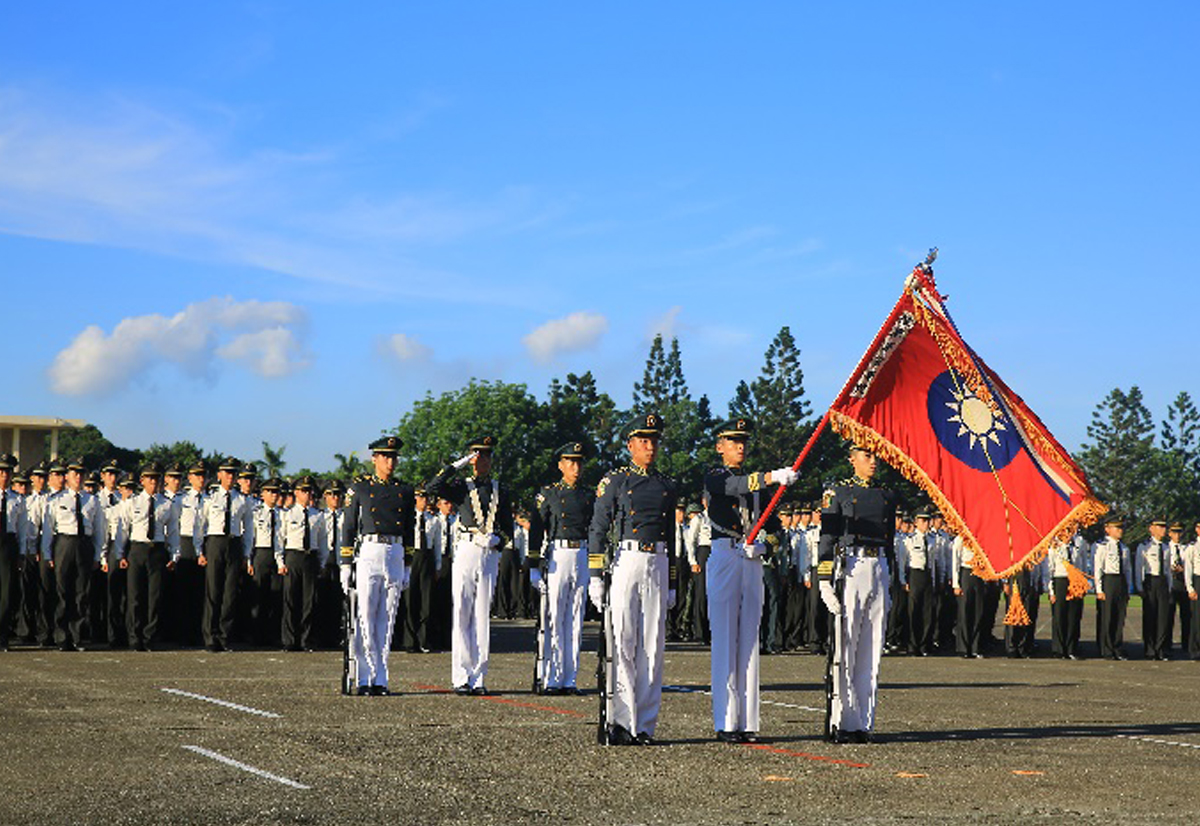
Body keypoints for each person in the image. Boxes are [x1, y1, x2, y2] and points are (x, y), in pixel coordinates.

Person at [703, 418, 795, 743]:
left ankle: (747, 721)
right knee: (726, 639)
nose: (739, 447)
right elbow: (733, 488)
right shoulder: (715, 476)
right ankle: (726, 721)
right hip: (726, 556)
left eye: (743, 441)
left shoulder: (761, 489)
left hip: (751, 560)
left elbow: (776, 530)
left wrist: (764, 545)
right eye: (732, 441)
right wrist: (771, 476)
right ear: (720, 447)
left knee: (750, 641)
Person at [588, 413, 677, 746]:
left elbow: (672, 535)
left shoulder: (667, 484)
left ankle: (645, 726)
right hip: (627, 560)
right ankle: (621, 721)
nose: (650, 446)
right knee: (623, 644)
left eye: (653, 440)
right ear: (630, 446)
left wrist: (671, 582)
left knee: (653, 647)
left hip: (658, 560)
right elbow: (598, 528)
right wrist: (596, 575)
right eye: (643, 440)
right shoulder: (616, 480)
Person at [817, 445, 896, 744]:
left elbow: (889, 540)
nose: (873, 462)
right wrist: (824, 579)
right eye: (867, 456)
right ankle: (841, 721)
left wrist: (891, 582)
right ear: (852, 460)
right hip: (851, 565)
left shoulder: (887, 495)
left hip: (879, 566)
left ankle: (863, 722)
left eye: (875, 456)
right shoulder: (836, 492)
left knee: (872, 648)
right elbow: (827, 537)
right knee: (846, 646)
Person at [427, 436, 514, 696]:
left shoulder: (501, 489)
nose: (482, 461)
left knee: (481, 616)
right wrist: (460, 463)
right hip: (466, 547)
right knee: (463, 612)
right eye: (477, 456)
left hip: (488, 552)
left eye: (486, 456)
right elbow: (434, 486)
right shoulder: (459, 487)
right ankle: (461, 676)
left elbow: (508, 528)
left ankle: (479, 676)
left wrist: (498, 540)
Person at [341, 436, 415, 696]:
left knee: (387, 618)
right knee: (365, 617)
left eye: (393, 457)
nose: (390, 461)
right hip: (369, 550)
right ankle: (363, 677)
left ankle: (380, 676)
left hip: (394, 550)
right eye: (385, 456)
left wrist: (408, 564)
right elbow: (349, 525)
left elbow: (410, 529)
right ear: (374, 459)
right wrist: (346, 562)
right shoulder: (360, 488)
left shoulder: (405, 490)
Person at [528, 441, 595, 695]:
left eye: (579, 462)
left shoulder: (589, 495)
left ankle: (569, 678)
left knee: (576, 618)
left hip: (582, 553)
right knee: (554, 617)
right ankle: (549, 678)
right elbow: (536, 529)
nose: (575, 467)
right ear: (560, 465)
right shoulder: (550, 494)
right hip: (558, 553)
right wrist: (534, 565)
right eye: (570, 462)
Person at [43, 458, 106, 651]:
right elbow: (48, 529)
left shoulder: (93, 501)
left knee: (82, 592)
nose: (78, 477)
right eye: (74, 474)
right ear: (67, 477)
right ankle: (62, 637)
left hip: (84, 545)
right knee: (63, 591)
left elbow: (99, 531)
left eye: (81, 474)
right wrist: (48, 553)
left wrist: (98, 556)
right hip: (64, 543)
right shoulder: (57, 499)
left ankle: (77, 636)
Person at [196, 458, 254, 652]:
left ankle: (224, 636)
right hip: (215, 542)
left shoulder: (242, 500)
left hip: (234, 544)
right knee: (213, 591)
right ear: (219, 475)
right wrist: (200, 550)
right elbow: (200, 526)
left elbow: (248, 530)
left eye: (233, 473)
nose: (230, 477)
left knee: (229, 594)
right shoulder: (209, 498)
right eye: (227, 473)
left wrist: (246, 554)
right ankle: (210, 636)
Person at [115, 463, 175, 650]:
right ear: (142, 481)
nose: (153, 482)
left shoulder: (167, 504)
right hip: (137, 549)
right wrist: (120, 554)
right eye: (150, 478)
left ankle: (150, 637)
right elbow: (123, 530)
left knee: (154, 596)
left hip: (156, 551)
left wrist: (174, 554)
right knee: (135, 597)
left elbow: (172, 531)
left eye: (156, 478)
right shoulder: (132, 503)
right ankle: (134, 637)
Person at [277, 475, 327, 652]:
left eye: (309, 491)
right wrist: (280, 561)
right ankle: (289, 640)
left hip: (310, 557)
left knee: (309, 601)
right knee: (290, 600)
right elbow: (280, 539)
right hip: (293, 556)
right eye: (303, 491)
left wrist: (321, 562)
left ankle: (306, 640)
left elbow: (322, 542)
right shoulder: (288, 514)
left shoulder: (317, 516)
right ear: (296, 492)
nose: (307, 494)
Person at [169, 462, 208, 647]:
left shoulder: (210, 500)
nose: (201, 479)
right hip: (185, 543)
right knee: (183, 592)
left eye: (203, 475)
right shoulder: (180, 500)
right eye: (197, 475)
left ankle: (197, 632)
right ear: (190, 478)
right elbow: (173, 525)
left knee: (201, 592)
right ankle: (182, 633)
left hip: (204, 544)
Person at [247, 478, 284, 646]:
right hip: (261, 553)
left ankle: (272, 635)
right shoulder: (256, 513)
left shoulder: (283, 514)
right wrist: (249, 560)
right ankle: (256, 635)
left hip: (277, 556)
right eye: (270, 491)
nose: (274, 495)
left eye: (276, 492)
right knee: (259, 595)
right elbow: (250, 538)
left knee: (275, 596)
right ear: (262, 494)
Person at [404, 486, 440, 653]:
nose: (425, 501)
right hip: (412, 557)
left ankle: (424, 640)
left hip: (427, 558)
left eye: (426, 498)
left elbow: (438, 545)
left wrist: (438, 566)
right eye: (421, 498)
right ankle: (410, 641)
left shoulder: (433, 520)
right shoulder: (408, 518)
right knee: (411, 600)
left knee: (427, 601)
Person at [1093, 517, 1132, 661]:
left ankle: (1117, 646)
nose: (1120, 531)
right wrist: (1099, 589)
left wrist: (1128, 587)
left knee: (1119, 616)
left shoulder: (1124, 548)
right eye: (1117, 528)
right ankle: (1106, 648)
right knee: (1107, 616)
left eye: (1121, 528)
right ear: (1107, 529)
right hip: (1108, 580)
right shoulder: (1101, 546)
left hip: (1120, 581)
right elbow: (1098, 569)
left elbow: (1127, 569)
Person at [898, 512, 937, 656]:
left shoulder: (932, 540)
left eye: (928, 521)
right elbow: (903, 562)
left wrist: (933, 579)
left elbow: (932, 561)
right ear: (916, 523)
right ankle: (913, 645)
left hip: (927, 575)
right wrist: (903, 580)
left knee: (927, 611)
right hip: (915, 574)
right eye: (923, 521)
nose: (926, 524)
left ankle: (924, 644)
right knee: (913, 611)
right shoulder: (909, 540)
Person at [0, 454, 28, 650]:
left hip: (8, 545)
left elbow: (23, 529)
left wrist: (21, 553)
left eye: (7, 472)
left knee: (6, 592)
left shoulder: (17, 500)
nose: (4, 475)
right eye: (1, 472)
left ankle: (2, 637)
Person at [1135, 519, 1172, 660]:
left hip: (1162, 582)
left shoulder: (1166, 547)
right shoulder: (1144, 546)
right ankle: (1150, 649)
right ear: (1152, 529)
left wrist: (1168, 587)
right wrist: (1139, 586)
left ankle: (1160, 649)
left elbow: (1168, 569)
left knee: (1163, 618)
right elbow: (1139, 567)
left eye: (1164, 527)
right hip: (1150, 581)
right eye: (1160, 527)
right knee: (1150, 617)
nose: (1163, 530)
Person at [1048, 534, 1085, 659]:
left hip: (1074, 581)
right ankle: (1058, 649)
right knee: (1059, 616)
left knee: (1073, 615)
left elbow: (1082, 564)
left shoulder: (1078, 544)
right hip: (1060, 581)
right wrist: (1051, 591)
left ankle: (1071, 649)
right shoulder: (1054, 546)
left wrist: (1082, 584)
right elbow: (1050, 570)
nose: (1069, 535)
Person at [951, 533, 987, 658]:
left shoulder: (982, 537)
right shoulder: (961, 537)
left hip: (980, 573)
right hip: (966, 571)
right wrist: (956, 583)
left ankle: (975, 647)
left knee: (978, 611)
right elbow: (955, 560)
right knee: (965, 611)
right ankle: (963, 647)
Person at [1166, 522, 1191, 656]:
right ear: (1169, 534)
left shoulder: (1185, 548)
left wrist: (1184, 569)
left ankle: (1186, 643)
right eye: (1174, 532)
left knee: (1186, 615)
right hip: (1171, 581)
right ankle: (1167, 643)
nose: (1177, 535)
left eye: (1179, 532)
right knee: (1169, 614)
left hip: (1183, 582)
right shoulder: (1166, 548)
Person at [1184, 521, 1200, 661]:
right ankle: (1195, 649)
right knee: (1196, 618)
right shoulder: (1192, 547)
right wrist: (1190, 587)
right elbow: (1188, 568)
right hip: (1198, 580)